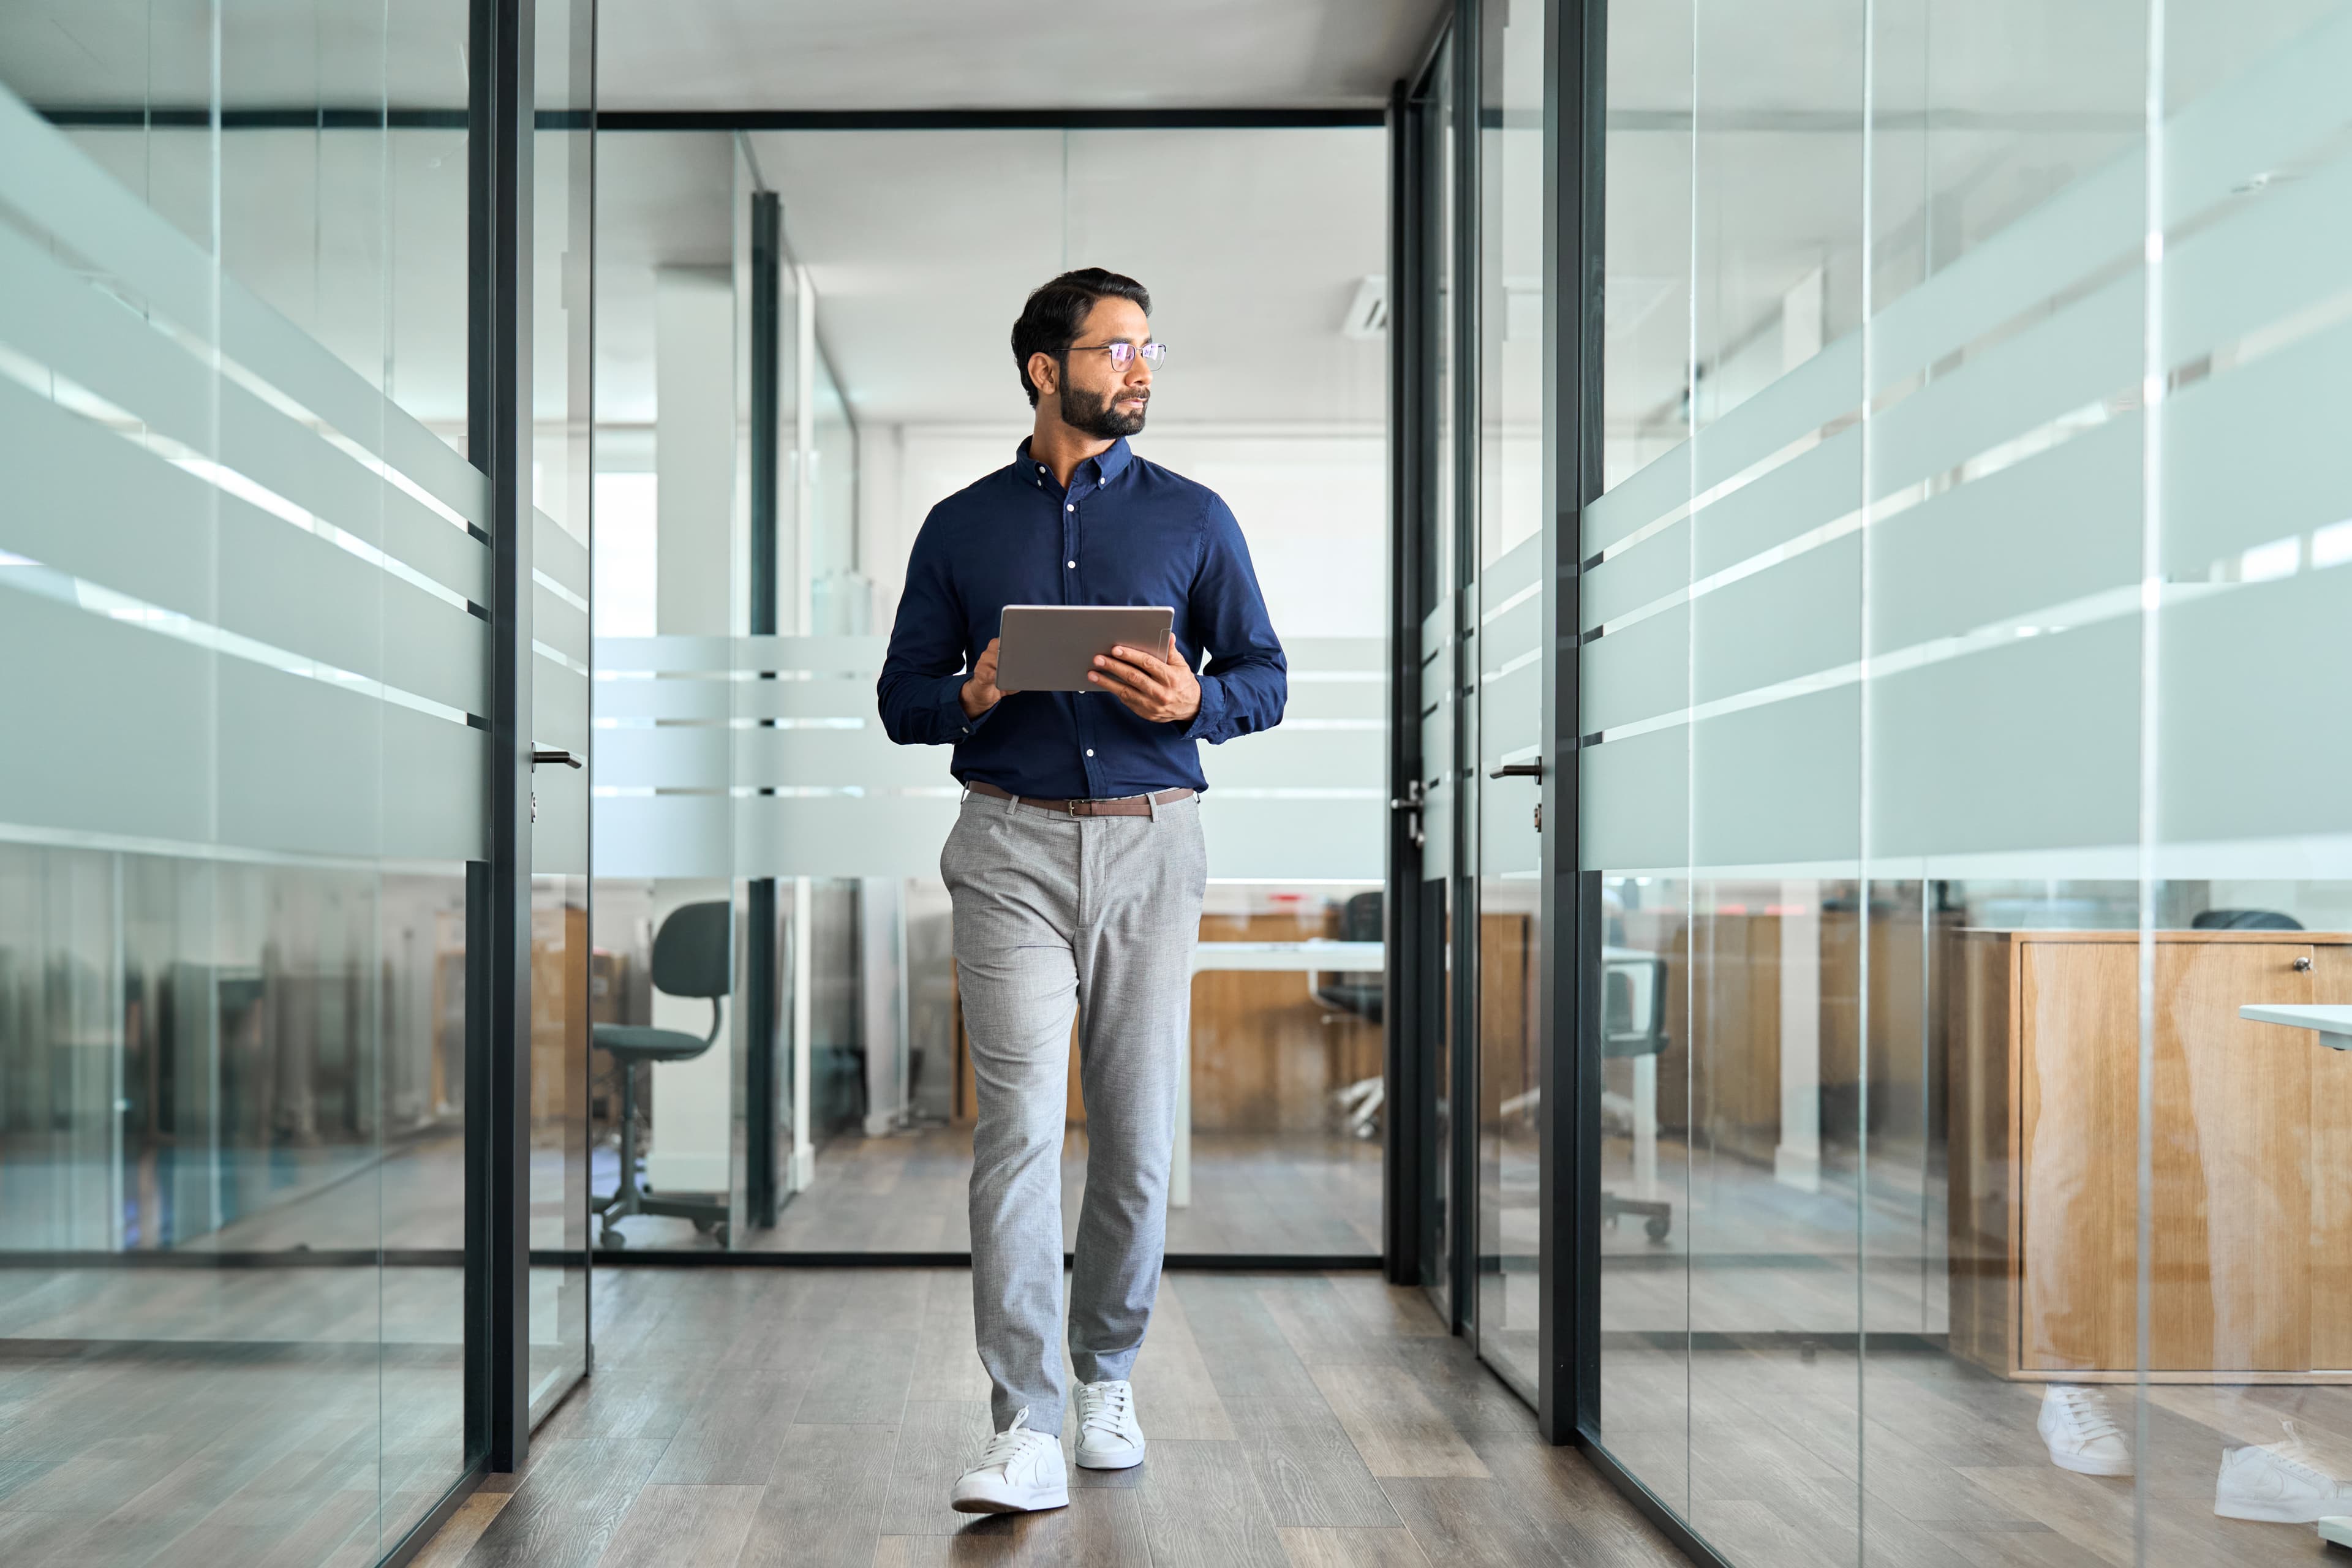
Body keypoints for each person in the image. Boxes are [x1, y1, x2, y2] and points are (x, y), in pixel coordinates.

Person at [876, 268, 1286, 1514]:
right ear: (1046, 368)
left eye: (1150, 347)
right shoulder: (960, 525)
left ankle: (1106, 1374)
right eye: (1117, 349)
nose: (1142, 369)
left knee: (1137, 1128)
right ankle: (1026, 1421)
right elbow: (904, 701)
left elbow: (1263, 675)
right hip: (1007, 850)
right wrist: (978, 693)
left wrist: (1196, 702)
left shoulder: (1196, 516)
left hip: (1154, 843)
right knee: (1014, 1136)